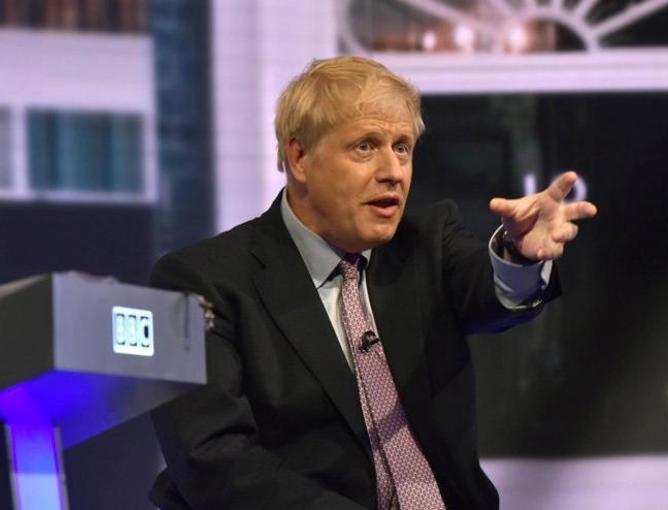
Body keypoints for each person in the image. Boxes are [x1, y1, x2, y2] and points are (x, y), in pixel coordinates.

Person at [149, 56, 597, 510]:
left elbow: (490, 291)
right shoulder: (191, 282)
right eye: (365, 146)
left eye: (402, 148)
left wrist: (519, 255)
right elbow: (211, 461)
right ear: (299, 157)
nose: (393, 171)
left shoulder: (427, 242)